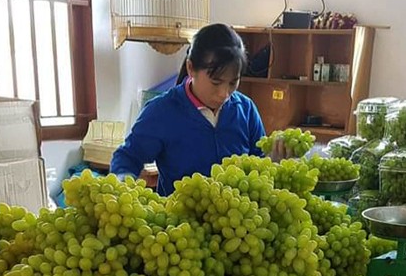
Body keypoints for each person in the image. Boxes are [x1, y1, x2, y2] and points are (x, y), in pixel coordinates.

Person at [110, 23, 288, 196]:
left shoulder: (246, 110)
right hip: (179, 215)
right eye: (216, 82)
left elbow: (259, 164)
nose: (224, 94)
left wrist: (273, 161)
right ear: (191, 68)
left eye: (233, 83)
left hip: (237, 215)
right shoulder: (161, 112)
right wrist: (123, 179)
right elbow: (128, 157)